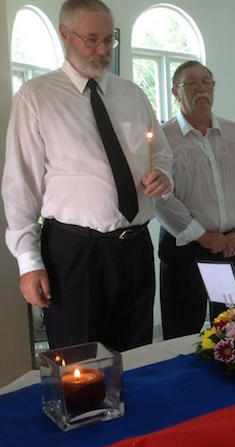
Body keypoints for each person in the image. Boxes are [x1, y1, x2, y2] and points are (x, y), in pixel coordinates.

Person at [2, 0, 172, 352]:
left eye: (109, 40)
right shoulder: (36, 97)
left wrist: (163, 174)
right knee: (79, 361)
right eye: (92, 40)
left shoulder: (131, 94)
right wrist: (29, 262)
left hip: (135, 247)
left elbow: (162, 153)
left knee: (135, 355)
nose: (103, 50)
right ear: (65, 35)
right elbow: (21, 186)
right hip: (75, 252)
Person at [156, 61, 235, 340]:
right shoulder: (164, 138)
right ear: (175, 92)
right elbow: (161, 197)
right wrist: (202, 236)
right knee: (183, 333)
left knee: (231, 333)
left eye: (206, 82)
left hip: (229, 248)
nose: (200, 88)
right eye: (191, 83)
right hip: (186, 250)